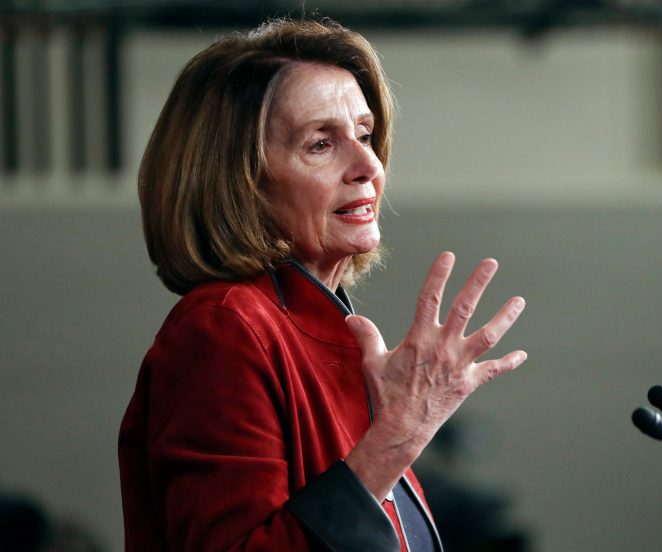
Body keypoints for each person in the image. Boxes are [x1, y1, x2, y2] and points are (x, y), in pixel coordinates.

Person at [118, 17, 527, 552]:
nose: (368, 165)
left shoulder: (322, 333)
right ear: (241, 181)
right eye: (319, 144)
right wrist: (398, 436)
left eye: (363, 134)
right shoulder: (224, 329)